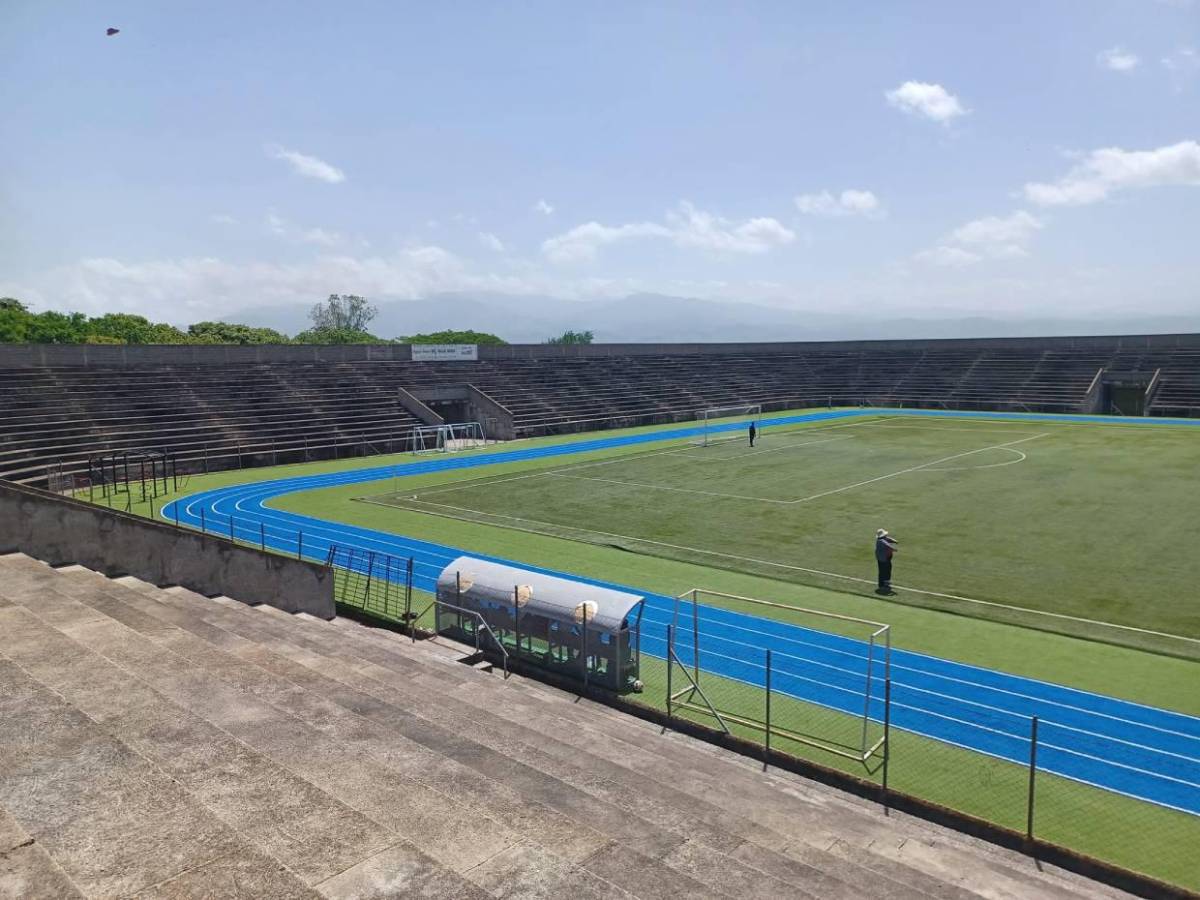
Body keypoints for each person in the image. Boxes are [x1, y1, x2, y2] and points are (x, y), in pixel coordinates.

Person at [875, 528, 898, 595]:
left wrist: (894, 541)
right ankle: (882, 585)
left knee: (888, 569)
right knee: (883, 571)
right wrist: (894, 549)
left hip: (886, 558)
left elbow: (888, 539)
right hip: (883, 559)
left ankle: (886, 582)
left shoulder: (883, 538)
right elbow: (886, 544)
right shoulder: (881, 541)